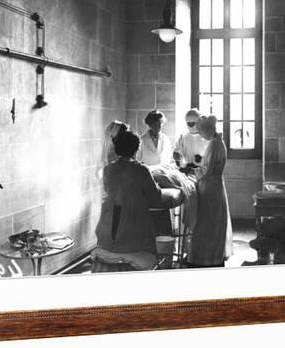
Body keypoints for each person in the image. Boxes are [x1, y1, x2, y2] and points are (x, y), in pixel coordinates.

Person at [93, 131, 171, 272]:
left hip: (107, 226)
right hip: (133, 228)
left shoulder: (108, 169)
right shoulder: (140, 170)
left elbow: (109, 189)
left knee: (114, 244)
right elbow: (155, 199)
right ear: (136, 149)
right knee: (140, 246)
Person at [188, 115, 233, 267]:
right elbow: (209, 164)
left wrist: (193, 171)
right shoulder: (217, 142)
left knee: (207, 223)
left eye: (201, 132)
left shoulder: (214, 144)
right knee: (213, 222)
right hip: (214, 185)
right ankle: (211, 256)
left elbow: (207, 171)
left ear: (207, 130)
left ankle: (206, 258)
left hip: (210, 187)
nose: (200, 135)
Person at [173, 108, 209, 173]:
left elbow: (213, 159)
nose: (191, 126)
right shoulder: (183, 137)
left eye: (193, 123)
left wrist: (202, 160)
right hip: (188, 171)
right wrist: (176, 156)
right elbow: (176, 153)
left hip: (203, 172)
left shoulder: (206, 137)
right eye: (189, 124)